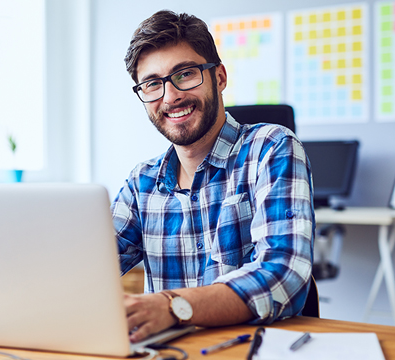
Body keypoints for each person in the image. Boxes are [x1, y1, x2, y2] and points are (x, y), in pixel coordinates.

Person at [111, 10, 315, 343]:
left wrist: (172, 306)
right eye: (152, 84)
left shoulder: (270, 148)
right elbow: (86, 271)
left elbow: (284, 274)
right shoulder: (142, 183)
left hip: (252, 349)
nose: (170, 95)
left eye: (185, 74)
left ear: (219, 77)